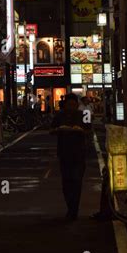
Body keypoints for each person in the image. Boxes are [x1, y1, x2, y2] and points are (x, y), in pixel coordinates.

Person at [50, 93, 90, 221]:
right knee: (67, 182)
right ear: (65, 105)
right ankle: (70, 208)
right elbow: (51, 130)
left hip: (79, 153)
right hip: (64, 153)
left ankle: (73, 210)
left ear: (77, 105)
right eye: (69, 104)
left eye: (74, 104)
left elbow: (90, 131)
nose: (71, 107)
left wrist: (81, 131)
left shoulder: (83, 115)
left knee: (77, 182)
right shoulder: (59, 116)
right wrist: (60, 130)